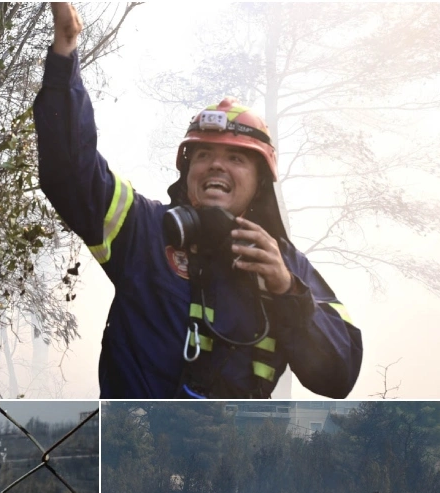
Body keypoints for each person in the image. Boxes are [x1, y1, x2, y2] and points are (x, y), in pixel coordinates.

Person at [34, 3, 362, 399]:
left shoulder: (283, 265)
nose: (214, 166)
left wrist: (287, 290)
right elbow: (69, 172)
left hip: (231, 459)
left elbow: (338, 377)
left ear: (260, 183)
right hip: (135, 451)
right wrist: (65, 53)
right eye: (203, 155)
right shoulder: (143, 231)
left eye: (235, 158)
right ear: (187, 172)